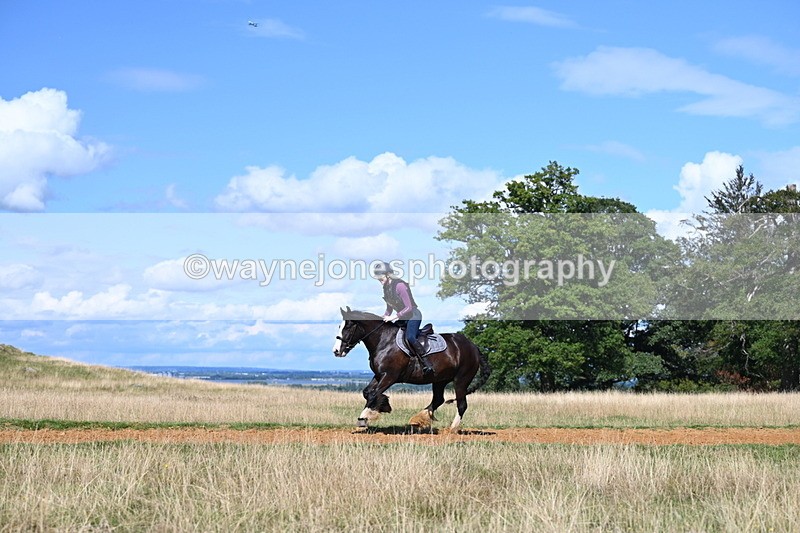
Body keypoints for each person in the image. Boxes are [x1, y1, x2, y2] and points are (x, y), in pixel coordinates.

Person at [373, 261, 434, 377]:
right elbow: (389, 309)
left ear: (387, 275)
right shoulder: (386, 288)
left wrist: (394, 317)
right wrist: (382, 317)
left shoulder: (400, 286)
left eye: (380, 279)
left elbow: (409, 307)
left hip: (413, 315)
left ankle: (427, 363)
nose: (380, 282)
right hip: (403, 317)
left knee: (410, 337)